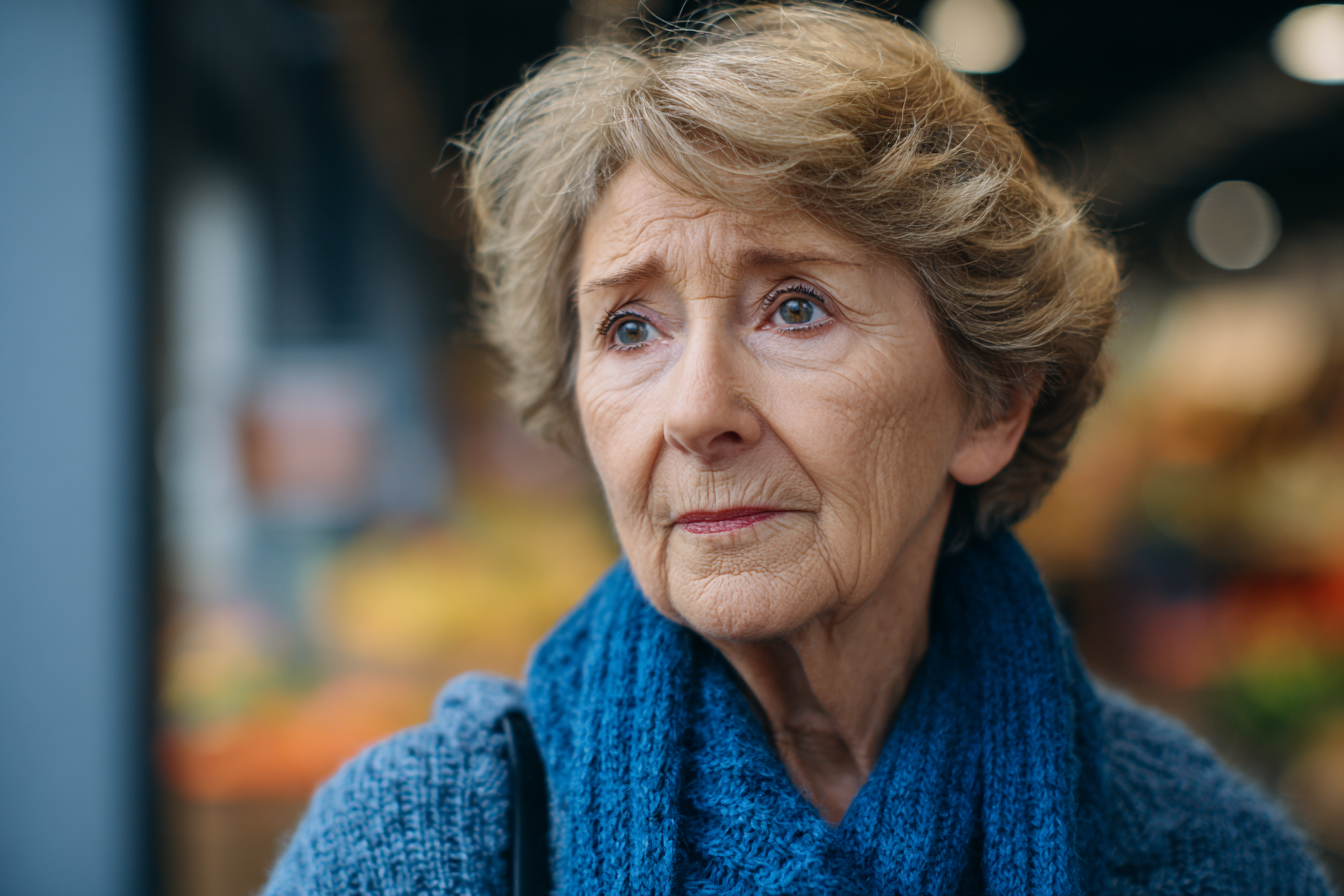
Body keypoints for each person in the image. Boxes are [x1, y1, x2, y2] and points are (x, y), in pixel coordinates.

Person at [263, 5, 1332, 893]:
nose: (696, 411)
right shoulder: (425, 845)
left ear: (994, 404)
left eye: (796, 308)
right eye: (630, 328)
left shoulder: (1204, 858)